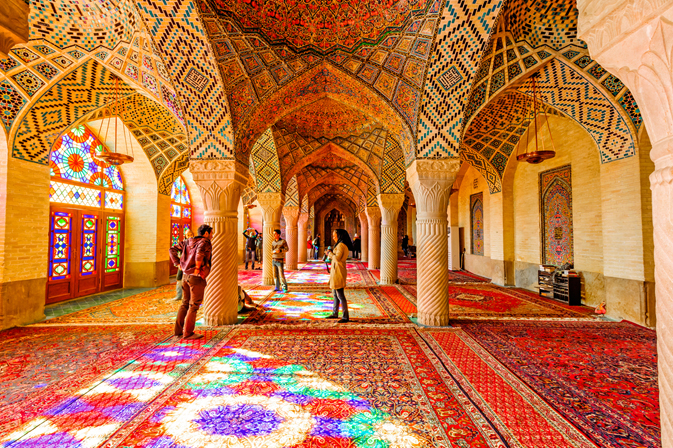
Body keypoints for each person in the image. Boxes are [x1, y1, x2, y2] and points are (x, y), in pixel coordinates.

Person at [169, 224, 213, 340]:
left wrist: (178, 264)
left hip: (185, 276)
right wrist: (198, 267)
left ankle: (178, 331)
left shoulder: (188, 241)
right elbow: (199, 253)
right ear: (206, 233)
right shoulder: (205, 242)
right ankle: (188, 333)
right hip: (196, 277)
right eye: (211, 233)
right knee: (193, 305)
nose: (212, 236)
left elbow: (172, 249)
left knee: (185, 303)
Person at [325, 228, 353, 323]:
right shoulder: (340, 245)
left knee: (340, 295)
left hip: (338, 271)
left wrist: (330, 254)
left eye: (334, 236)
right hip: (336, 271)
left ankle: (345, 316)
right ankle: (335, 312)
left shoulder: (341, 245)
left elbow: (337, 258)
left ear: (339, 236)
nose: (333, 238)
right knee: (335, 294)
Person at [172, 229, 194, 302]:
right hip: (182, 264)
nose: (190, 236)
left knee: (190, 280)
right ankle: (179, 295)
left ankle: (191, 296)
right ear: (185, 236)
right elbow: (173, 251)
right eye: (188, 235)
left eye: (191, 234)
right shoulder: (182, 244)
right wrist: (178, 263)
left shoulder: (195, 243)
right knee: (179, 278)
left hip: (191, 265)